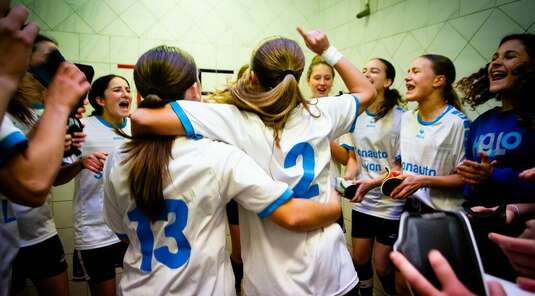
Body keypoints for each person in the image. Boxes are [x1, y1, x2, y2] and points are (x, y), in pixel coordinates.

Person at [128, 27, 376, 295]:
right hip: (334, 272)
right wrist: (326, 49)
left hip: (274, 282)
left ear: (253, 77)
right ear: (300, 76)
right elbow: (367, 92)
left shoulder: (235, 119)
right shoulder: (322, 111)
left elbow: (141, 119)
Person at [456, 33, 535, 280]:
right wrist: (474, 178)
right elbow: (471, 180)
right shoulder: (481, 122)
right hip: (481, 225)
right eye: (494, 58)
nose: (496, 63)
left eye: (510, 56)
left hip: (524, 232)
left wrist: (494, 175)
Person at [54, 74, 132, 295]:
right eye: (117, 90)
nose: (126, 94)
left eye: (128, 89)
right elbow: (56, 179)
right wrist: (80, 163)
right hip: (95, 231)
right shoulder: (82, 128)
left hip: (133, 228)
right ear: (100, 100)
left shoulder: (139, 128)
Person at [343, 58, 404, 296]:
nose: (367, 73)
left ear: (387, 81)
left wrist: (372, 183)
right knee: (358, 259)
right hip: (363, 202)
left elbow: (400, 168)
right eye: (364, 70)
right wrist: (350, 173)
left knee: (383, 266)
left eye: (374, 71)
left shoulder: (401, 118)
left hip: (390, 202)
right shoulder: (356, 115)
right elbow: (355, 157)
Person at [390, 54, 468, 211]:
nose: (407, 77)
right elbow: (402, 169)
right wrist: (371, 184)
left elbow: (463, 178)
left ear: (438, 80)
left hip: (442, 214)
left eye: (415, 71)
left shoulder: (458, 122)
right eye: (408, 71)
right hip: (409, 208)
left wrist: (423, 180)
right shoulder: (406, 118)